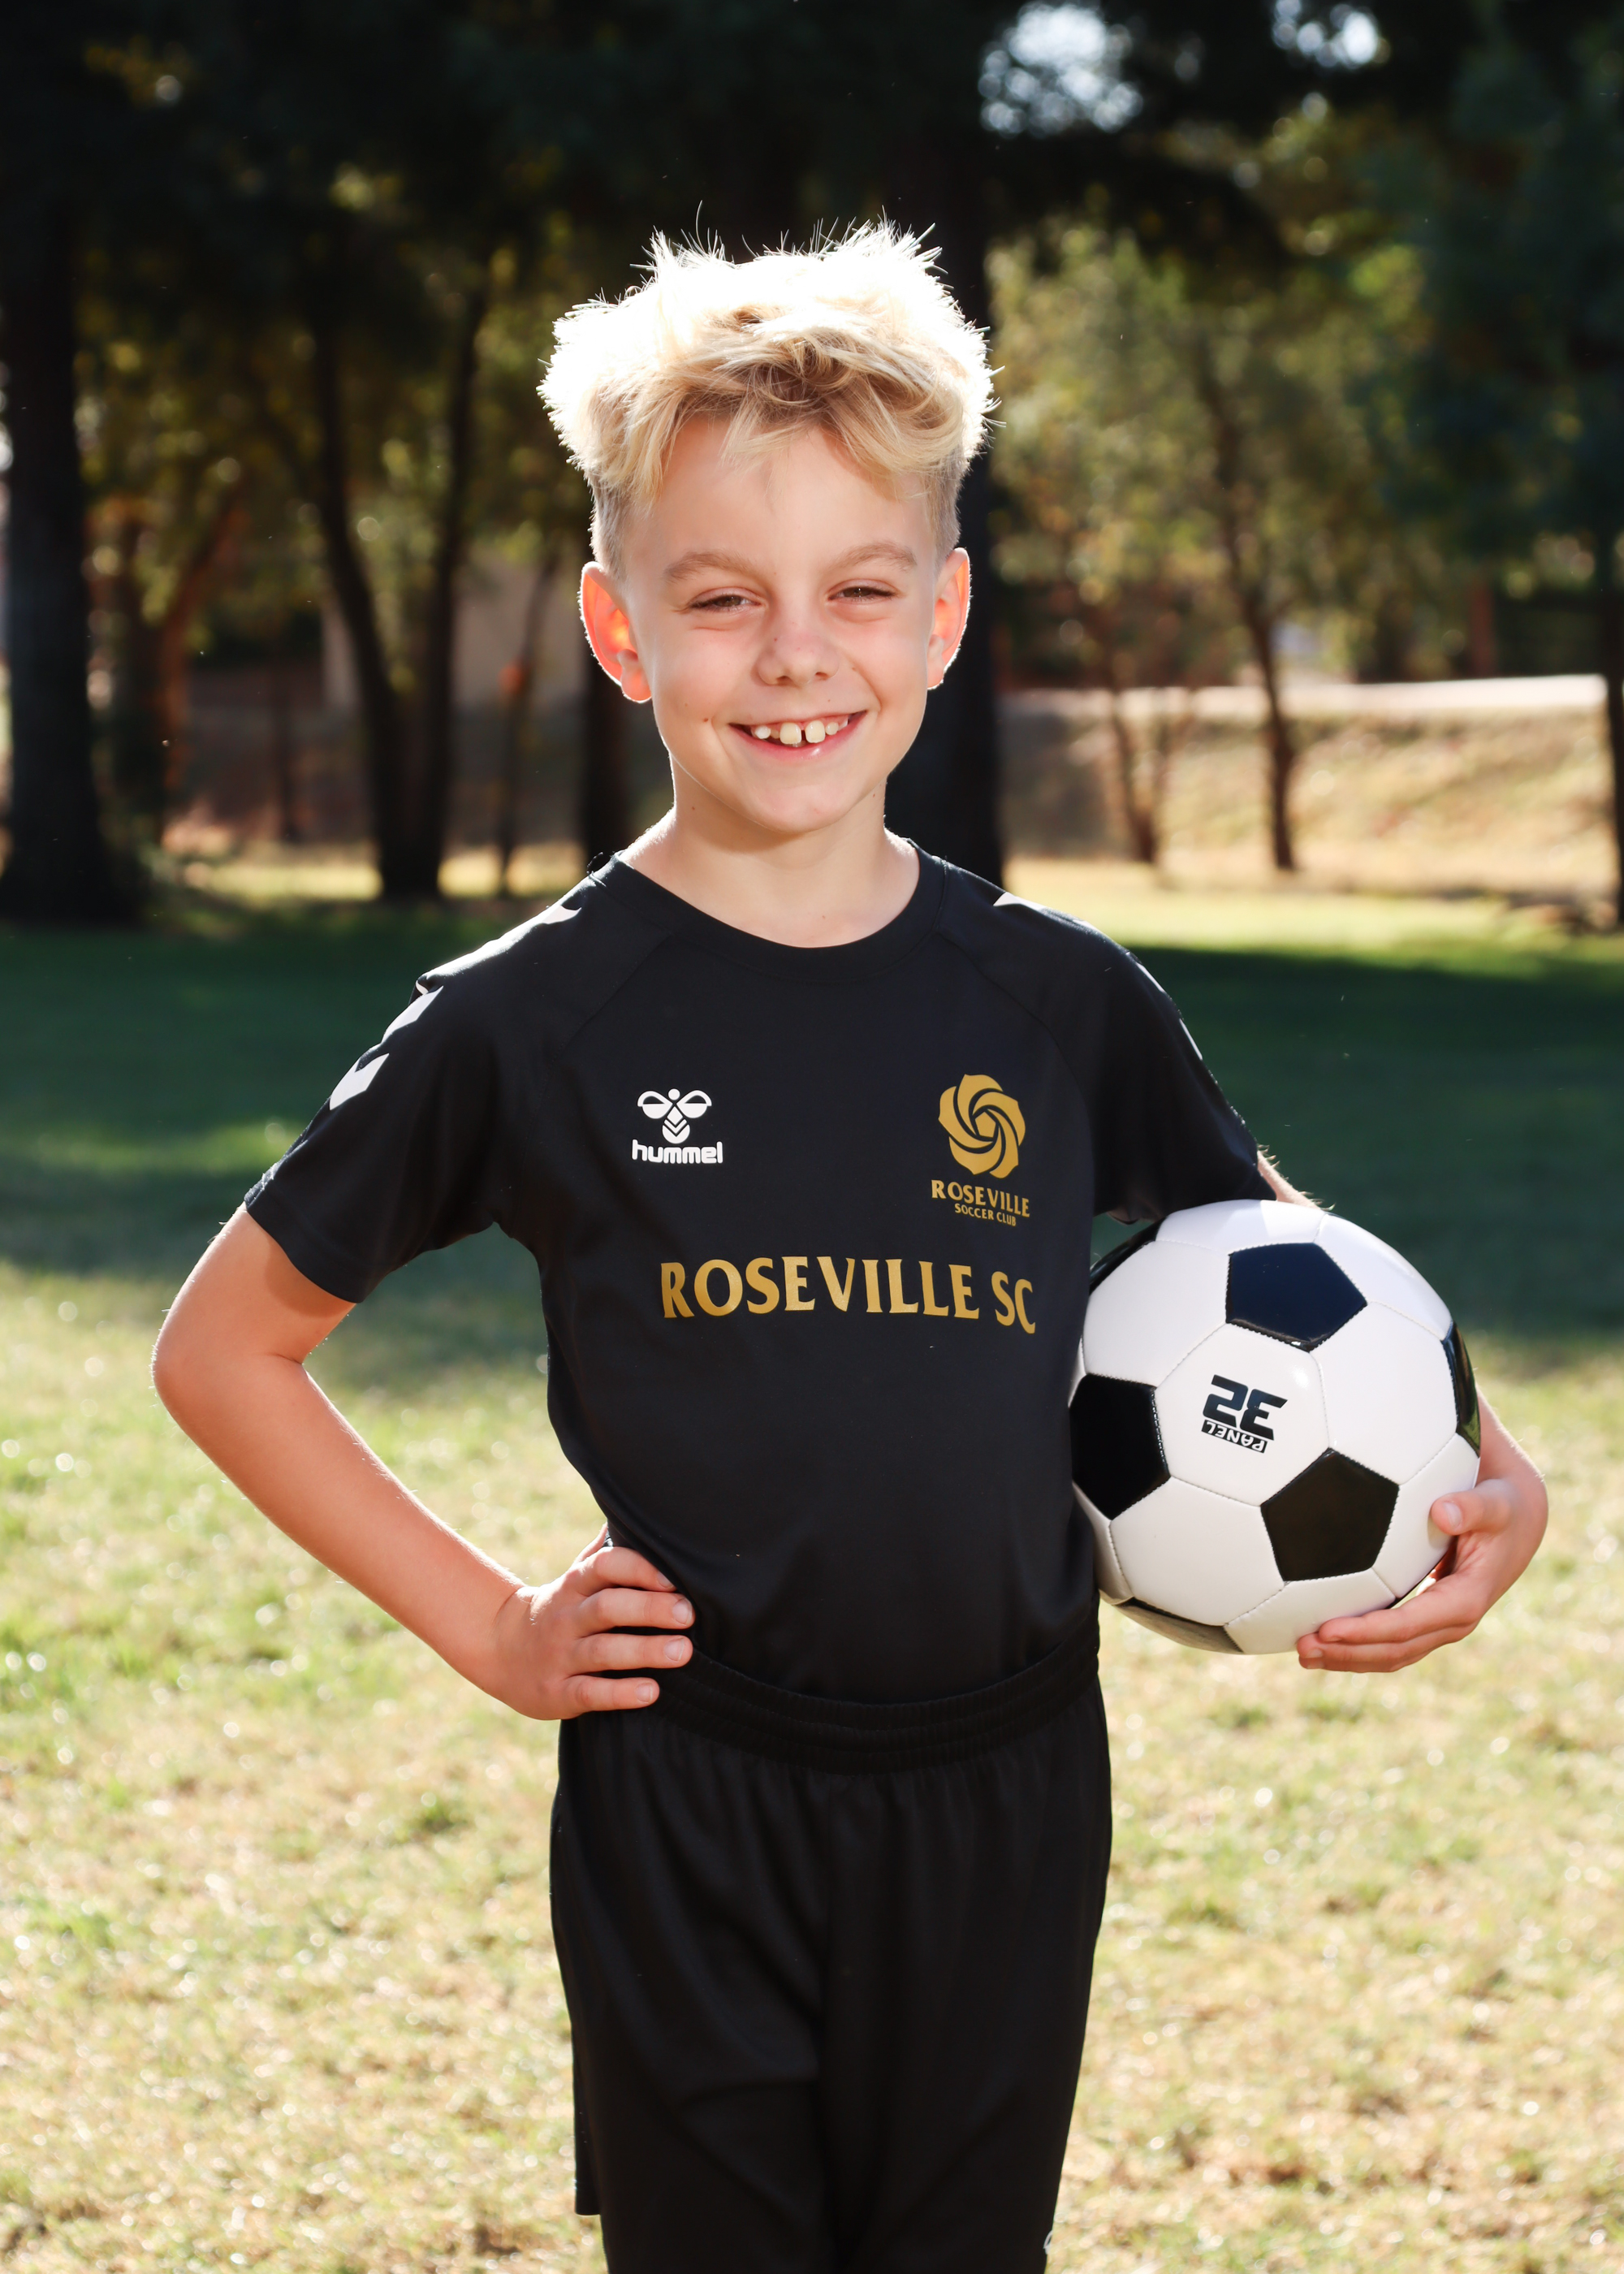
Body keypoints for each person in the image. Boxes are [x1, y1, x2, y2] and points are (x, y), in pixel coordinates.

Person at [153, 228, 1548, 2274]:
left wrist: (1491, 1476)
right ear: (620, 627)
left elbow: (1290, 1280)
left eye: (858, 591)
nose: (794, 655)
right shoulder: (531, 1021)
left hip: (1008, 1786)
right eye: (722, 598)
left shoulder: (1057, 1001)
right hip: (694, 1793)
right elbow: (222, 1350)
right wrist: (495, 1626)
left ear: (944, 613)